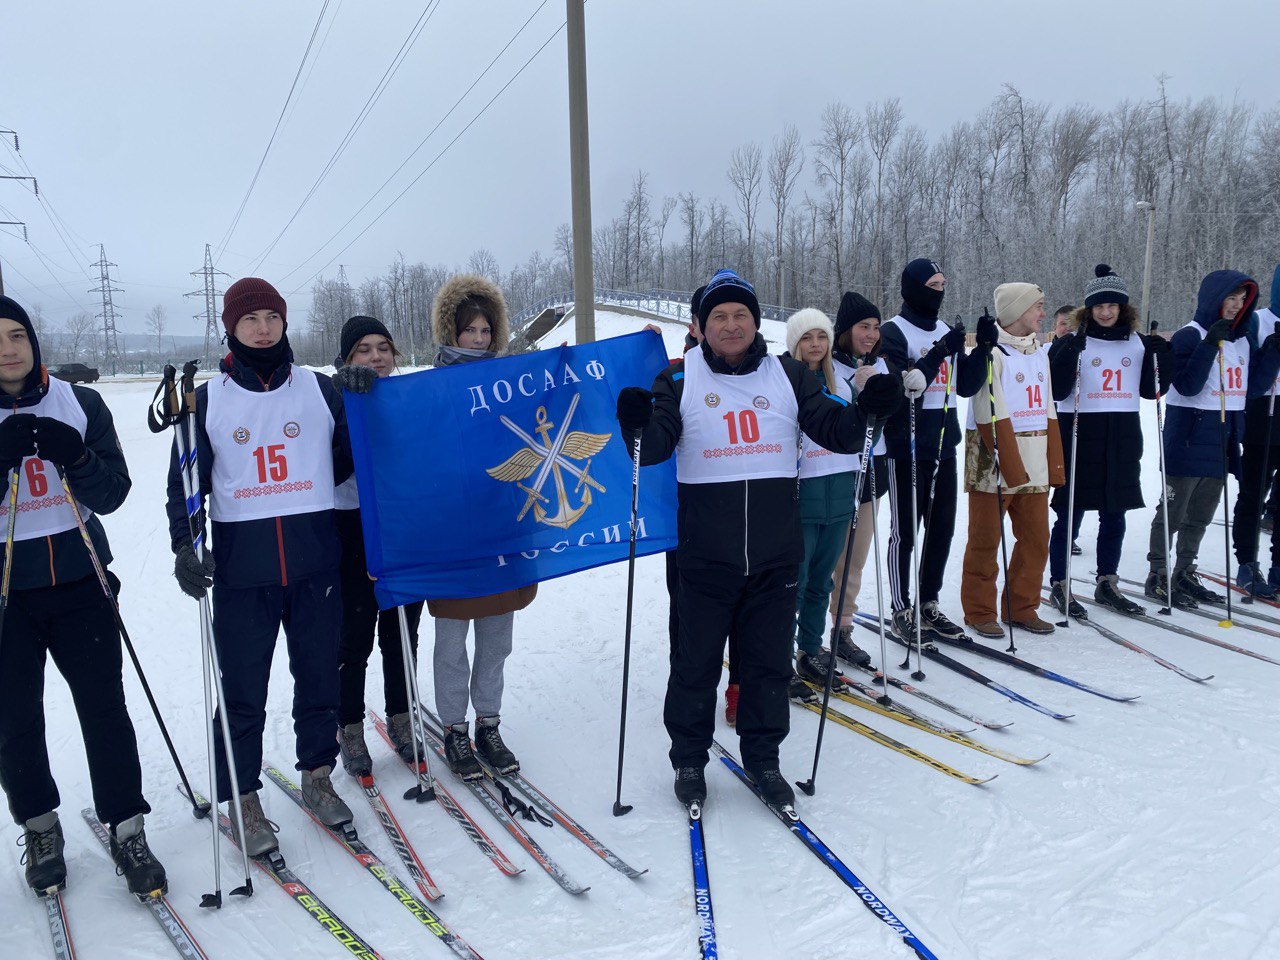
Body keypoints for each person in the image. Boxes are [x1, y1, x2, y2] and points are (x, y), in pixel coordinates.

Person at [615, 269, 903, 810]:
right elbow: (654, 446)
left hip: (774, 554)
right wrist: (635, 427)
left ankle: (764, 760)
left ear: (755, 322)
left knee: (767, 663)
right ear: (700, 326)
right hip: (703, 556)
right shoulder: (678, 378)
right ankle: (689, 760)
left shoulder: (789, 375)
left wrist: (869, 411)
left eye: (740, 315)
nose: (730, 325)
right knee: (695, 663)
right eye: (719, 316)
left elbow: (837, 430)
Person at [166, 277, 354, 855]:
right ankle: (242, 795)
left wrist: (367, 403)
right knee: (243, 688)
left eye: (273, 316)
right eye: (251, 319)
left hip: (315, 562)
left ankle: (318, 776)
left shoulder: (321, 391)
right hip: (244, 570)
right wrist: (184, 545)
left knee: (321, 676)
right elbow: (185, 483)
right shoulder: (209, 399)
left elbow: (352, 461)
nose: (264, 327)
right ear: (231, 327)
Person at [0, 295, 166, 898]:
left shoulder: (80, 401)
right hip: (6, 594)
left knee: (104, 709)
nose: (8, 348)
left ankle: (128, 827)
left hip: (81, 582)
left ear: (33, 340)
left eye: (17, 334)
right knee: (15, 719)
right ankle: (40, 828)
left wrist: (76, 455)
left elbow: (116, 490)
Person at [427, 274, 536, 781]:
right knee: (452, 642)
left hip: (502, 529)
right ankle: (454, 728)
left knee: (497, 639)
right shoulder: (426, 387)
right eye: (469, 330)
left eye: (485, 331)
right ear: (450, 331)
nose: (478, 339)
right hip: (452, 534)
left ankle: (488, 723)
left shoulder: (507, 382)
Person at [326, 316, 426, 775]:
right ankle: (348, 725)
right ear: (347, 358)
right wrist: (352, 405)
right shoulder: (331, 398)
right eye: (363, 349)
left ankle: (402, 717)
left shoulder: (410, 396)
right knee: (353, 635)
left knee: (402, 630)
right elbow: (332, 467)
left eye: (383, 347)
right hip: (350, 524)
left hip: (405, 522)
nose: (375, 357)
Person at [1144, 270, 1277, 607]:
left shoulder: (1243, 339)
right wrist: (1208, 345)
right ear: (1213, 299)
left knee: (1201, 514)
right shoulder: (1191, 335)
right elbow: (1186, 385)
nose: (1235, 305)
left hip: (1223, 437)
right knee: (1174, 510)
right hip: (1188, 434)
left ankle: (1185, 570)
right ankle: (1157, 572)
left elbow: (1253, 389)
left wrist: (1273, 352)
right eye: (1230, 298)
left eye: (1241, 299)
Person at [1046, 266, 1173, 617]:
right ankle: (1060, 582)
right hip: (1080, 433)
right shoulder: (1075, 340)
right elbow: (1056, 390)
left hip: (1122, 433)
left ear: (1122, 308)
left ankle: (1107, 581)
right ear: (1089, 309)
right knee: (1069, 512)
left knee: (1114, 513)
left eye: (1112, 306)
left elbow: (1151, 390)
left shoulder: (1137, 342)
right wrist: (1070, 350)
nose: (1105, 312)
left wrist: (1164, 356)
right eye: (1099, 306)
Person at [958, 285, 1064, 637]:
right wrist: (1011, 462)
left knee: (1036, 539)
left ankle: (1021, 606)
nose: (1042, 314)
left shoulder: (1039, 353)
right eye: (1038, 306)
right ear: (1018, 311)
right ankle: (979, 610)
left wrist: (1053, 458)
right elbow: (988, 411)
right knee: (986, 541)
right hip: (994, 461)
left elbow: (1047, 406)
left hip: (1034, 457)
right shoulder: (992, 353)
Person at [785, 307, 876, 689]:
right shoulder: (784, 386)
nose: (815, 345)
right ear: (794, 345)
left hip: (839, 493)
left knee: (823, 580)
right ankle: (780, 655)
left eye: (821, 337)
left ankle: (810, 649)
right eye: (806, 338)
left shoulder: (843, 384)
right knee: (797, 581)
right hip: (803, 497)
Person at [879, 258, 967, 643]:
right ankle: (902, 608)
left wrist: (979, 350)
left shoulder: (946, 330)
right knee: (906, 533)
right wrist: (937, 353)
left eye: (943, 284)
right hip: (907, 447)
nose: (940, 291)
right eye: (933, 285)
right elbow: (904, 391)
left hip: (945, 444)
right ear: (914, 288)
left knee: (941, 530)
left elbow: (966, 385)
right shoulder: (893, 332)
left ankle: (928, 602)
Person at [824, 291, 886, 669]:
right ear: (846, 330)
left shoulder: (877, 366)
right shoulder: (828, 364)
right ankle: (805, 632)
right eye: (864, 327)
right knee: (822, 559)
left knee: (855, 558)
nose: (871, 335)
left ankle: (842, 628)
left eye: (876, 328)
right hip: (831, 472)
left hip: (870, 471)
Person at [1234, 262, 1280, 597]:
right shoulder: (1259, 319)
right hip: (1263, 412)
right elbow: (1246, 373)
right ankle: (1247, 562)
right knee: (1253, 491)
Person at [1051, 304, 1083, 556]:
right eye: (1063, 324)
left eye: (1072, 325)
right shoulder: (1048, 352)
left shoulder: (1080, 349)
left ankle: (1069, 532)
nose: (1068, 330)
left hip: (1071, 424)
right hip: (1047, 426)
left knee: (1073, 482)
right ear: (1055, 327)